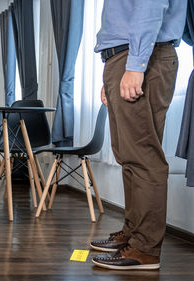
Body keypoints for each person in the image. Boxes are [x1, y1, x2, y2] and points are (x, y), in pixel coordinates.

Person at [91, 0, 187, 270]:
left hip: (141, 56)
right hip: (127, 56)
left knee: (143, 157)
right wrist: (115, 70)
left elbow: (150, 5)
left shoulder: (138, 60)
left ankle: (145, 249)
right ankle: (134, 235)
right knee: (129, 155)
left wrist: (135, 66)